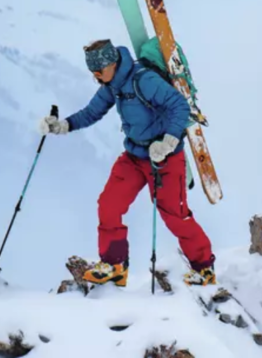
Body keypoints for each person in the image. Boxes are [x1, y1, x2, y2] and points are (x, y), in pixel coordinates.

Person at [39, 38, 216, 287]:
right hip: (134, 156)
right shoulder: (113, 84)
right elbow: (92, 112)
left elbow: (179, 106)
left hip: (165, 158)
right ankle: (114, 265)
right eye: (93, 74)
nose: (97, 77)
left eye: (99, 72)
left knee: (174, 215)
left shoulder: (144, 80)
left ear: (111, 64)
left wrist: (167, 142)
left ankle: (204, 267)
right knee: (109, 204)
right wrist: (63, 125)